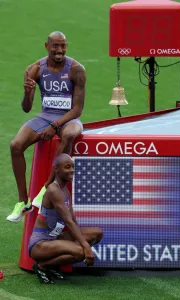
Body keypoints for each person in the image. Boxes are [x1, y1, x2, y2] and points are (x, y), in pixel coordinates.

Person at [7, 31, 86, 222]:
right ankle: (22, 201)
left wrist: (55, 125)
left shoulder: (76, 69)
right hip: (45, 116)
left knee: (68, 135)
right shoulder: (34, 69)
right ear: (46, 46)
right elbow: (26, 108)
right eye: (55, 46)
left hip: (68, 119)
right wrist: (27, 93)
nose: (60, 50)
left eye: (63, 46)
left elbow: (77, 110)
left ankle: (46, 188)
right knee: (15, 145)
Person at [28, 154, 103, 284]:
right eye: (67, 167)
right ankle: (43, 266)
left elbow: (73, 221)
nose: (72, 170)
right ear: (56, 169)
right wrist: (85, 247)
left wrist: (81, 241)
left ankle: (53, 264)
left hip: (55, 238)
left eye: (73, 167)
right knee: (80, 252)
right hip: (40, 243)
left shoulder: (64, 190)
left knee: (96, 233)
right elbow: (67, 220)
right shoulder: (53, 190)